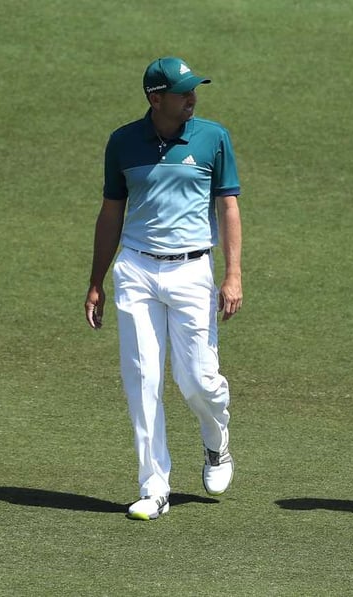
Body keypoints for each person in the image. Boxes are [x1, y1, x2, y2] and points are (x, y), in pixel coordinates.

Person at [85, 57, 243, 520]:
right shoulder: (123, 142)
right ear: (156, 99)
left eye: (194, 90)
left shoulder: (213, 137)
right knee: (142, 380)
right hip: (136, 271)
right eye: (182, 91)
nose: (192, 97)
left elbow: (228, 207)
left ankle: (217, 443)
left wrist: (232, 274)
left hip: (193, 270)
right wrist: (96, 280)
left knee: (197, 380)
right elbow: (111, 211)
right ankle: (154, 487)